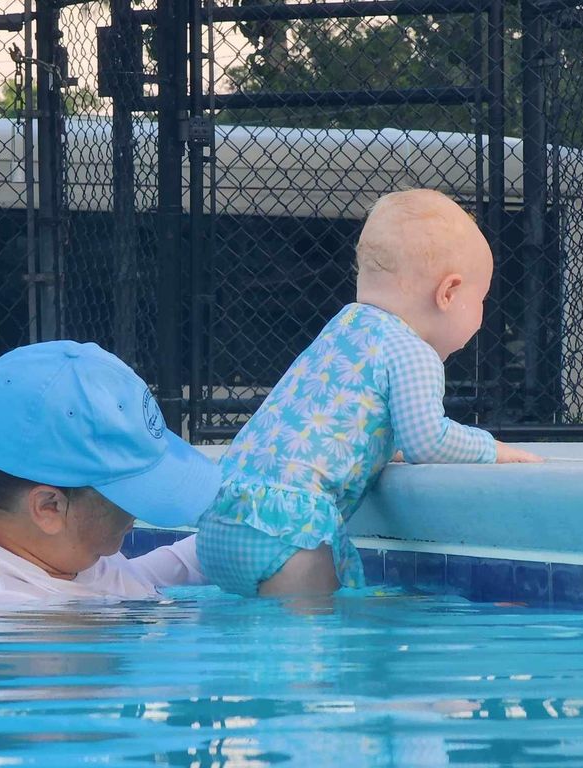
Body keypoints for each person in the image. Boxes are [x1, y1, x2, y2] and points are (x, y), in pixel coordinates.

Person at [196, 188, 542, 599]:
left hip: (224, 513)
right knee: (313, 637)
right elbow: (427, 441)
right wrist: (493, 449)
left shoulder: (345, 326)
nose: (483, 314)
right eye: (481, 299)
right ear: (448, 293)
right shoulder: (412, 350)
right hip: (290, 530)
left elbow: (345, 421)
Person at [0, 340, 223, 606]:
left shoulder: (45, 552)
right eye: (129, 493)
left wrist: (233, 541)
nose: (137, 512)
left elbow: (125, 581)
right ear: (48, 507)